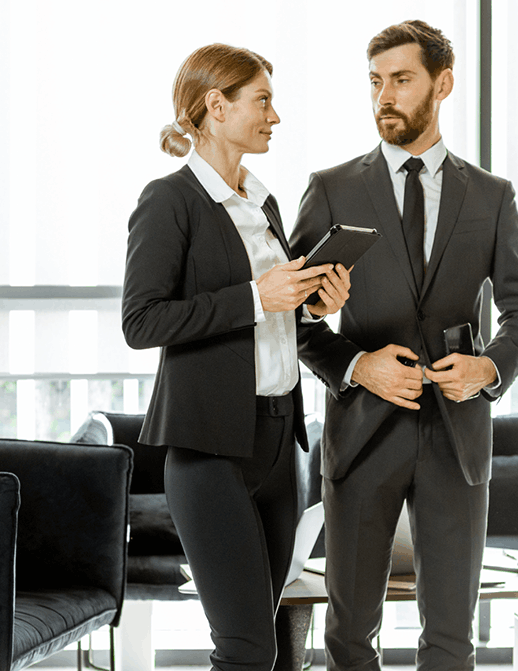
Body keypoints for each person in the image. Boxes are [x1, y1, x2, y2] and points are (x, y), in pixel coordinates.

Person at [291, 20, 518, 671]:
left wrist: (489, 366)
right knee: (349, 637)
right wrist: (355, 364)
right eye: (375, 81)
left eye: (400, 80)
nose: (384, 96)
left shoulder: (491, 197)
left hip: (457, 439)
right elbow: (288, 317)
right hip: (361, 435)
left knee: (452, 638)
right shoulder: (332, 188)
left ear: (442, 83)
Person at [122, 43, 352, 671]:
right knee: (245, 648)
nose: (275, 116)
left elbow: (277, 316)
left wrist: (311, 302)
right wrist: (255, 297)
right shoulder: (169, 200)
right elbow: (140, 322)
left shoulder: (263, 203)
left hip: (280, 442)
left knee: (275, 643)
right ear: (216, 106)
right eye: (263, 100)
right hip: (208, 448)